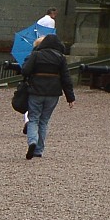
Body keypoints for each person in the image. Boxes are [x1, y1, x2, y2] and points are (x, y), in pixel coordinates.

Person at [19, 27, 74, 159]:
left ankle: (32, 141)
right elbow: (66, 78)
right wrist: (70, 97)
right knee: (44, 121)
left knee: (33, 118)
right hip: (53, 93)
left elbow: (25, 70)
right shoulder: (60, 58)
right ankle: (39, 150)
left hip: (36, 90)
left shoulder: (36, 55)